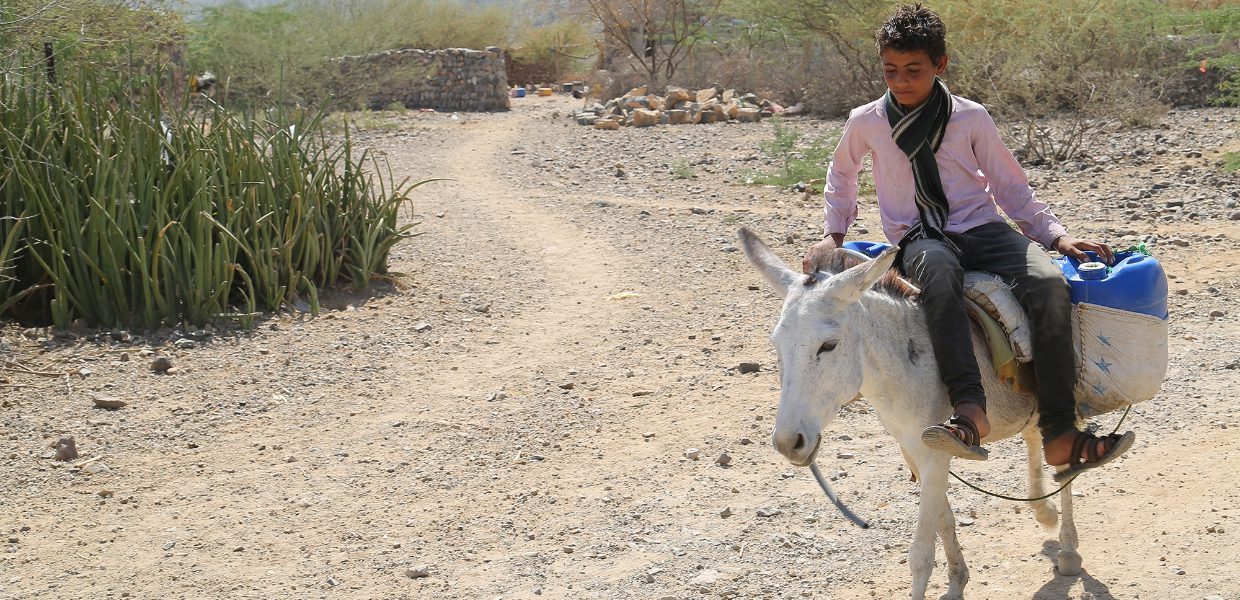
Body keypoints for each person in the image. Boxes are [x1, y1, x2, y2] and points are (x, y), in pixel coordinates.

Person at [801, 3, 1134, 480]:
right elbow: (841, 176)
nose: (900, 81)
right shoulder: (866, 121)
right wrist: (834, 234)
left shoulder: (971, 118)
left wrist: (1056, 238)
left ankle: (1061, 432)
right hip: (920, 236)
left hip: (983, 227)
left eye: (913, 70)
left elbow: (1011, 188)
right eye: (890, 70)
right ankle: (970, 411)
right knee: (938, 276)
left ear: (941, 65)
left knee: (1047, 284)